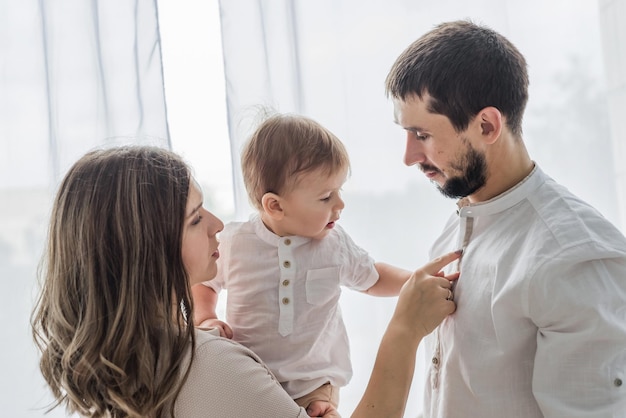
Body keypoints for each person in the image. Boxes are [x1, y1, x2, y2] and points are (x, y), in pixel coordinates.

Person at [31, 145, 460, 418]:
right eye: (196, 218)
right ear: (147, 251)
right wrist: (404, 331)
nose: (219, 225)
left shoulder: (124, 369)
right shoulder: (208, 366)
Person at [385, 19, 626, 417]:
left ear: (486, 125)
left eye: (421, 135)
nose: (409, 156)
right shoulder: (459, 222)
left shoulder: (573, 258)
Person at [191, 113, 427, 412]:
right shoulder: (236, 242)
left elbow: (374, 278)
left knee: (319, 412)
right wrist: (205, 316)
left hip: (315, 383)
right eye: (326, 197)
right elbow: (205, 282)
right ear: (275, 205)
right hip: (253, 379)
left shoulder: (334, 244)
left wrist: (414, 281)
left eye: (339, 191)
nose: (340, 205)